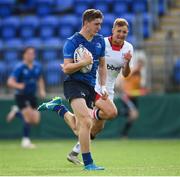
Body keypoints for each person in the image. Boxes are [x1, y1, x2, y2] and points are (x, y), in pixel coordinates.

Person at [38, 9, 113, 170]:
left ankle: (58, 107)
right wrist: (83, 62)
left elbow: (102, 65)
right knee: (87, 121)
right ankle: (89, 163)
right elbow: (66, 68)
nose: (99, 27)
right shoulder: (72, 42)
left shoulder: (100, 40)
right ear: (86, 23)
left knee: (79, 128)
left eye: (100, 24)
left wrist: (104, 86)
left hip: (90, 87)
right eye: (96, 24)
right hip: (74, 84)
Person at [67, 18, 134, 164]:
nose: (121, 34)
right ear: (113, 30)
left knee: (97, 128)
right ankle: (87, 114)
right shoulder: (101, 42)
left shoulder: (128, 48)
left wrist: (127, 62)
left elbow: (126, 74)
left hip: (108, 90)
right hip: (95, 85)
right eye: (119, 31)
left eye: (124, 32)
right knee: (111, 112)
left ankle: (74, 152)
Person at [7, 47, 46, 148]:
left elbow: (40, 78)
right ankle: (25, 141)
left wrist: (42, 90)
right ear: (24, 55)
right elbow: (10, 82)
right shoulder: (19, 67)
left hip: (32, 95)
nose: (31, 55)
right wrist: (18, 85)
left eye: (33, 53)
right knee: (28, 118)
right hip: (21, 95)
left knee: (36, 120)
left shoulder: (37, 66)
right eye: (29, 53)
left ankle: (16, 112)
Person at [115, 58, 147, 137]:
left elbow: (136, 86)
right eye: (139, 65)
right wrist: (123, 90)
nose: (139, 67)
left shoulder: (139, 74)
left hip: (133, 96)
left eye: (141, 66)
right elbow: (122, 80)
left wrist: (140, 91)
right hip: (127, 96)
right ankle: (123, 133)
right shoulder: (132, 71)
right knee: (134, 113)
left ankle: (123, 133)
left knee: (134, 116)